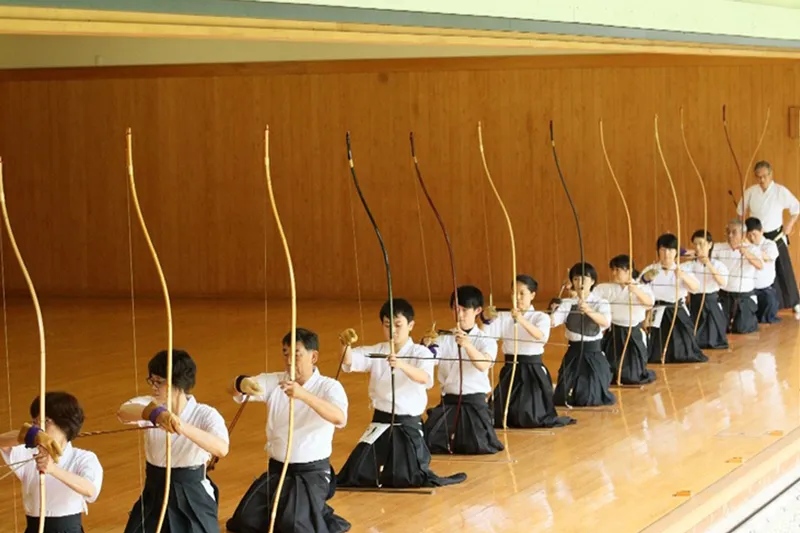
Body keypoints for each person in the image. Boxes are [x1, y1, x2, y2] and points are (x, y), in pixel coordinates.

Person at [226, 328, 350, 533]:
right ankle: (313, 510)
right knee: (245, 521)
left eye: (297, 354)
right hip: (278, 472)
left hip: (312, 474)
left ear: (314, 356)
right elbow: (231, 388)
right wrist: (242, 382)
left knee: (293, 525)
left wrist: (303, 395)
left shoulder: (330, 387)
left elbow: (339, 417)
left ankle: (317, 511)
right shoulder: (275, 381)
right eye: (286, 353)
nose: (290, 361)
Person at [336, 298, 465, 488]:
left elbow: (424, 378)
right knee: (355, 474)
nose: (393, 330)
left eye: (398, 325)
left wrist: (401, 364)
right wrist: (344, 344)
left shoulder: (421, 352)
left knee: (405, 477)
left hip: (407, 425)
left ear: (411, 325)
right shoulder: (378, 349)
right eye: (388, 325)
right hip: (380, 422)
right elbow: (349, 361)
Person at [118, 350, 229, 533]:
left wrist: (182, 427)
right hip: (155, 490)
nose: (154, 387)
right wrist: (155, 414)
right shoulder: (151, 405)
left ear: (178, 383)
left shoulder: (205, 414)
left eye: (159, 382)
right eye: (151, 381)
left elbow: (221, 448)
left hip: (191, 492)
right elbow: (124, 411)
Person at [0, 392, 102, 533]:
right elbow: (2, 442)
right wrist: (29, 435)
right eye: (35, 423)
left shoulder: (84, 458)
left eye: (45, 421)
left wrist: (53, 470)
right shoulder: (30, 453)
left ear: (64, 425)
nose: (39, 428)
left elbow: (90, 490)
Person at [422, 285, 503, 454]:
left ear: (478, 310)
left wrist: (468, 345)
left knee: (475, 445)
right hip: (449, 404)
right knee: (429, 442)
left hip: (474, 405)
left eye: (464, 310)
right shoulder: (444, 337)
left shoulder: (486, 340)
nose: (459, 315)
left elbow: (483, 365)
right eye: (455, 309)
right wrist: (425, 346)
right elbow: (431, 358)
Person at [484, 275, 574, 427]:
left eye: (522, 293)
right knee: (498, 415)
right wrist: (486, 318)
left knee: (528, 415)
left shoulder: (541, 317)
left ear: (532, 295)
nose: (517, 297)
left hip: (532, 372)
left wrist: (521, 319)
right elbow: (487, 336)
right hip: (510, 370)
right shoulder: (504, 316)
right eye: (514, 293)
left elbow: (540, 336)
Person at [737, 161, 800, 315]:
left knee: (783, 269)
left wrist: (789, 225)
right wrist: (744, 232)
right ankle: (764, 304)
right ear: (755, 177)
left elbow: (796, 208)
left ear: (771, 174)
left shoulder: (780, 191)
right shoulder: (751, 192)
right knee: (758, 270)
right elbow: (740, 211)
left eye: (765, 176)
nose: (762, 180)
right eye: (758, 177)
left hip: (775, 235)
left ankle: (795, 302)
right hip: (755, 237)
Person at [551, 262, 616, 406]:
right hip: (573, 353)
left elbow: (605, 322)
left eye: (584, 279)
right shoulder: (567, 303)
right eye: (576, 279)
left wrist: (588, 310)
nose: (580, 283)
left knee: (588, 398)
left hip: (593, 353)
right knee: (562, 398)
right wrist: (552, 311)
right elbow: (553, 322)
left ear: (592, 281)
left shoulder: (601, 302)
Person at [640, 234, 708, 364]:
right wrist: (645, 279)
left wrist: (683, 276)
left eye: (671, 250)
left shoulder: (682, 269)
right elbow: (639, 289)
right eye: (663, 250)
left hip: (677, 310)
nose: (667, 254)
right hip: (657, 311)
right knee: (655, 352)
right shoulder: (650, 270)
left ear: (676, 252)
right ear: (658, 251)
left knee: (685, 348)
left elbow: (695, 287)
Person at [594, 255, 656, 385]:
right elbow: (592, 299)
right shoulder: (605, 288)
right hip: (614, 331)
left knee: (633, 374)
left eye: (618, 270)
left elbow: (649, 303)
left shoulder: (642, 288)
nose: (614, 273)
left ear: (629, 270)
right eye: (613, 270)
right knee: (612, 367)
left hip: (633, 332)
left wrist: (636, 291)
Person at [712, 220, 763, 334]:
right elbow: (702, 254)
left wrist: (745, 252)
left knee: (741, 328)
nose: (730, 235)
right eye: (728, 232)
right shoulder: (719, 247)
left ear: (743, 235)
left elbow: (760, 265)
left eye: (734, 232)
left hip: (744, 296)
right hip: (724, 295)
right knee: (720, 327)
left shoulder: (752, 249)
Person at [685, 230, 730, 349]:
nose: (698, 247)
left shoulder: (718, 265)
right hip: (694, 303)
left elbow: (723, 283)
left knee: (712, 339)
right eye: (695, 244)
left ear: (710, 245)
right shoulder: (689, 265)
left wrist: (709, 265)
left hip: (711, 303)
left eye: (701, 244)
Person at [746, 217, 781, 323]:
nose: (752, 238)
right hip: (749, 290)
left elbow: (766, 257)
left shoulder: (770, 245)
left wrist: (749, 248)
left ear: (762, 231)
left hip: (765, 289)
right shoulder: (746, 246)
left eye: (754, 234)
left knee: (767, 315)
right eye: (749, 234)